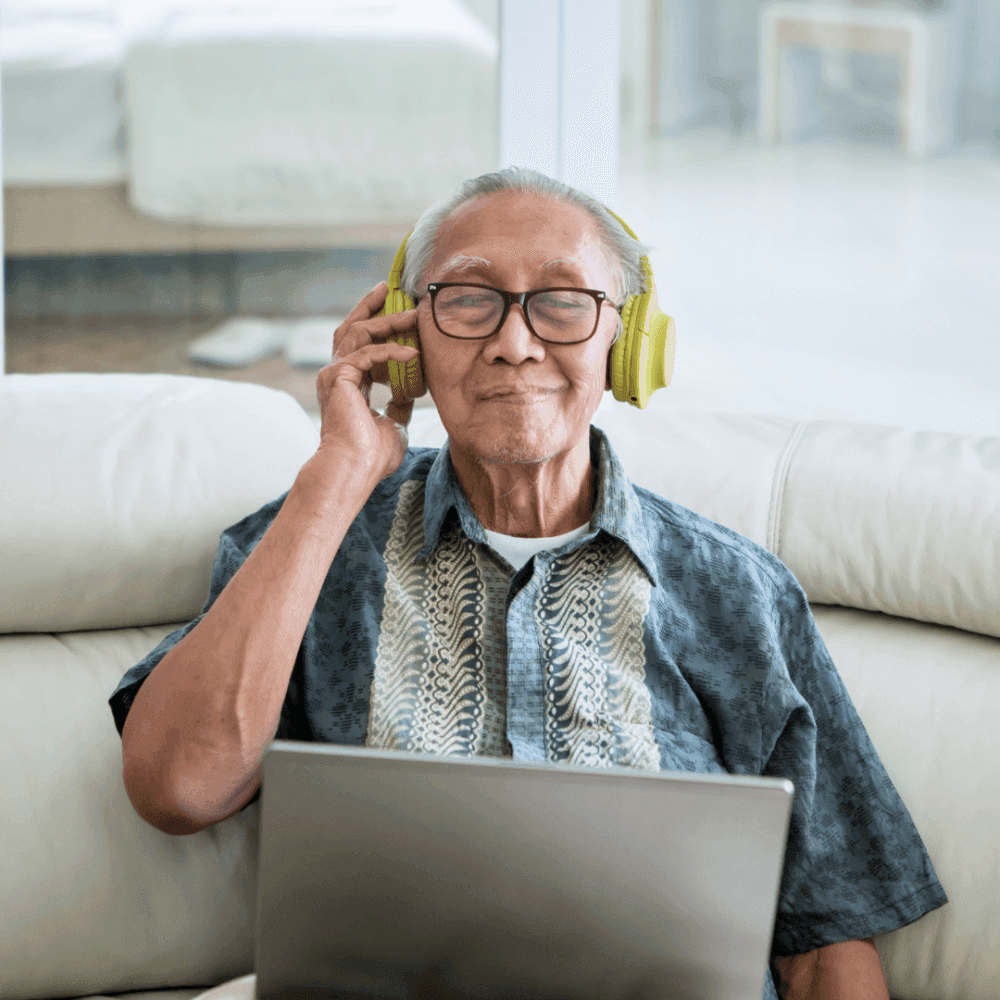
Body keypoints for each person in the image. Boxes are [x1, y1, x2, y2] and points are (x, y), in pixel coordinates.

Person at [111, 167, 945, 1000]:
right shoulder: (312, 543)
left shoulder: (737, 590)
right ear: (408, 339)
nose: (515, 342)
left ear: (626, 340)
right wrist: (338, 473)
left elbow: (830, 946)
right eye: (469, 300)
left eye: (563, 301)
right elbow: (178, 786)